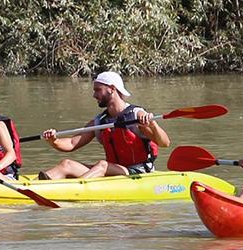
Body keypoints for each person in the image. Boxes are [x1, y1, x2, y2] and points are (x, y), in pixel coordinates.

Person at [38, 71, 170, 179]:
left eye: (98, 90)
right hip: (112, 171)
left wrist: (153, 125)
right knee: (66, 164)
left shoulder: (136, 115)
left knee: (102, 165)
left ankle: (75, 188)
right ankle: (32, 188)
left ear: (112, 89)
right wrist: (54, 141)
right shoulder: (100, 121)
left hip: (138, 172)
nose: (94, 95)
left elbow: (165, 143)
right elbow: (72, 143)